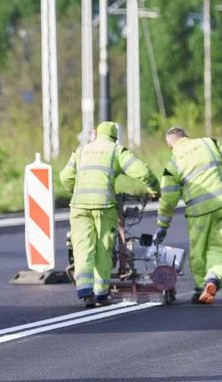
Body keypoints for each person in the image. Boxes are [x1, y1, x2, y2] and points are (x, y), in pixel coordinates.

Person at [59, 122, 160, 308]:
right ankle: (100, 294)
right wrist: (154, 189)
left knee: (82, 248)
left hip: (79, 206)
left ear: (95, 134)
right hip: (103, 206)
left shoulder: (81, 151)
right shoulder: (116, 151)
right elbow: (143, 171)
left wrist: (76, 189)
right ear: (115, 137)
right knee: (103, 248)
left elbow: (65, 176)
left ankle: (84, 291)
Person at [154, 126, 222, 304]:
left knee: (198, 251)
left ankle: (199, 288)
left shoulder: (172, 164)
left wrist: (163, 226)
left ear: (170, 145)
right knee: (221, 247)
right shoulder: (209, 143)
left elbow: (168, 199)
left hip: (198, 212)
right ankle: (214, 278)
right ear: (186, 137)